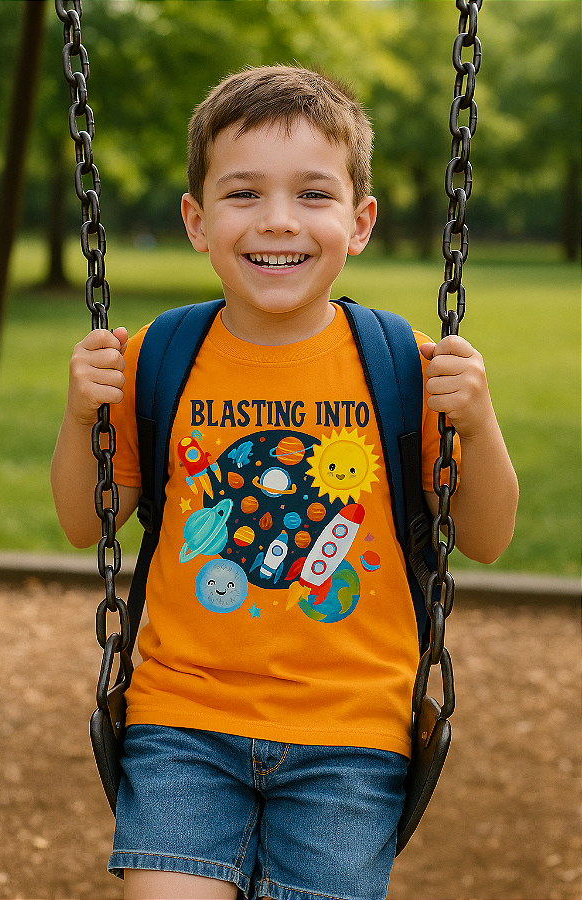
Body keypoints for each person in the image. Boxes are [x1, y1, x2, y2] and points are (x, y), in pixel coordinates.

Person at [51, 65, 518, 900]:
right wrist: (83, 415)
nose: (277, 222)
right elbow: (86, 522)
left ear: (359, 220)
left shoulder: (400, 364)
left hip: (351, 731)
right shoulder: (159, 356)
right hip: (182, 718)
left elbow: (485, 538)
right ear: (196, 221)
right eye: (242, 195)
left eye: (312, 194)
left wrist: (476, 425)